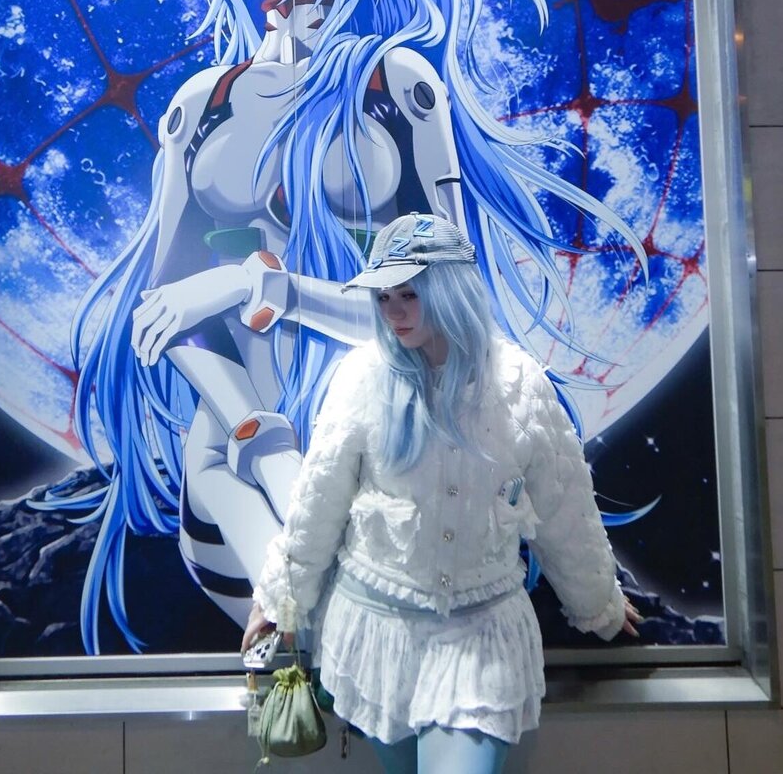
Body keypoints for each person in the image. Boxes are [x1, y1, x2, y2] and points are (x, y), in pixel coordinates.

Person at [59, 0, 644, 654]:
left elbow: (448, 305)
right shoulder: (201, 105)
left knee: (377, 673)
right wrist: (259, 436)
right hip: (237, 477)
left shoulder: (395, 88)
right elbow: (163, 312)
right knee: (232, 486)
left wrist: (261, 287)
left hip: (385, 464)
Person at [242, 212, 641, 774]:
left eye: (410, 294)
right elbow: (318, 504)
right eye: (384, 296)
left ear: (451, 290)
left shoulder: (520, 385)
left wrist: (598, 603)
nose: (393, 312)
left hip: (480, 635)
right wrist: (279, 599)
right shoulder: (362, 378)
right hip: (376, 632)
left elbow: (564, 510)